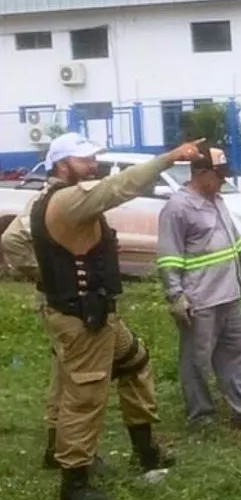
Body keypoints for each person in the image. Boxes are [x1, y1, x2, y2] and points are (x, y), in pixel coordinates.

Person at [29, 132, 205, 500]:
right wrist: (169, 158)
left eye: (93, 157)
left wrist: (47, 277)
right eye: (84, 159)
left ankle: (145, 451)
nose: (93, 164)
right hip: (82, 318)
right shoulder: (66, 199)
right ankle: (74, 484)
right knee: (85, 395)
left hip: (92, 313)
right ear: (63, 165)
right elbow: (118, 187)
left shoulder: (48, 199)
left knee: (134, 363)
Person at [156, 144, 241, 429]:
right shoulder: (178, 208)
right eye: (219, 174)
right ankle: (201, 416)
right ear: (200, 172)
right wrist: (175, 295)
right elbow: (168, 256)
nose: (223, 180)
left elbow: (234, 241)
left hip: (229, 295)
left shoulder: (216, 200)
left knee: (239, 351)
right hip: (200, 299)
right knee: (196, 360)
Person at [0, 194, 98, 475]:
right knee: (72, 375)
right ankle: (62, 449)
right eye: (85, 159)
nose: (92, 164)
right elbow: (12, 240)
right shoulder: (49, 201)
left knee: (67, 372)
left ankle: (58, 447)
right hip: (60, 303)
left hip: (77, 302)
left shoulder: (75, 196)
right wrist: (48, 275)